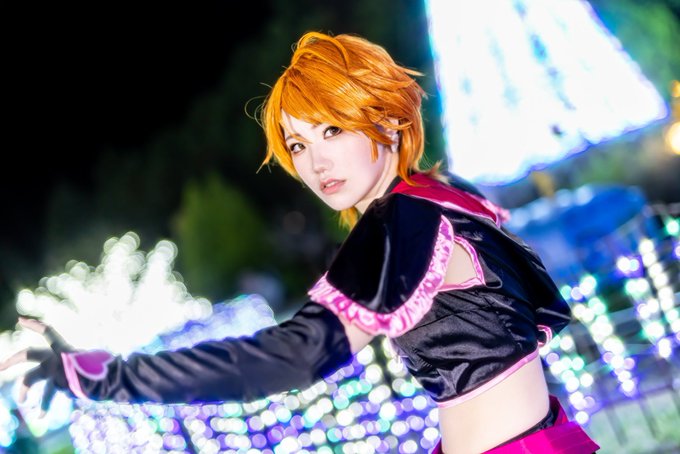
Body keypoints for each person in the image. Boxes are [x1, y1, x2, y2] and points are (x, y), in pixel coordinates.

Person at [0, 31, 599, 453]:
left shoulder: (403, 222)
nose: (316, 162)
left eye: (332, 129)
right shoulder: (446, 196)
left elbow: (292, 355)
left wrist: (103, 375)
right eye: (298, 144)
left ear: (388, 120)